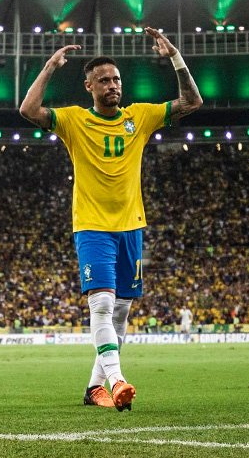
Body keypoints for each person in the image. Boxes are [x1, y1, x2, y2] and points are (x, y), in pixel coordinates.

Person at [19, 28, 202, 412]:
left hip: (132, 226)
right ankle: (117, 380)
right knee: (101, 304)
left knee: (120, 313)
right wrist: (50, 66)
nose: (112, 85)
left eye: (116, 79)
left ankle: (93, 389)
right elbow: (28, 110)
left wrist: (175, 57)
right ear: (88, 86)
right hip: (91, 225)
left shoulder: (141, 116)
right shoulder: (73, 121)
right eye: (103, 80)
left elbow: (192, 100)